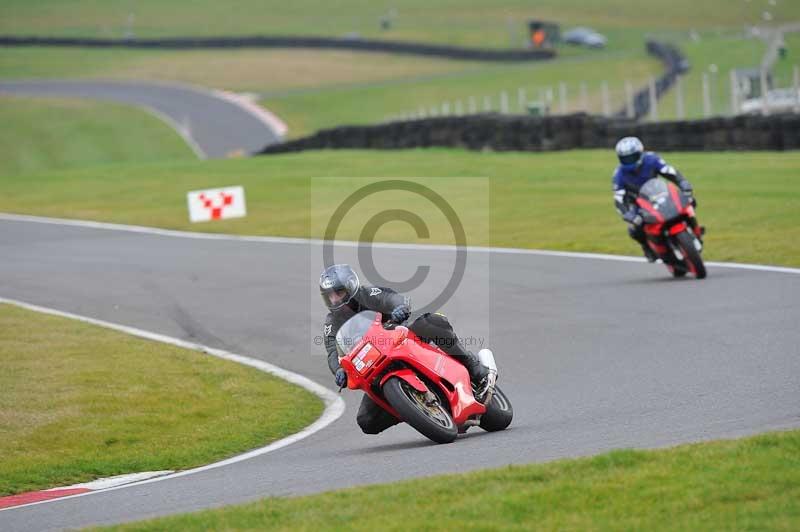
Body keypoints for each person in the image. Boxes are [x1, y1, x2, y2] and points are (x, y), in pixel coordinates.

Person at [319, 264, 489, 435]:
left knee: (431, 322)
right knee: (366, 421)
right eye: (330, 296)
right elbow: (332, 352)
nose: (334, 300)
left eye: (338, 293)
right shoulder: (332, 322)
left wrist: (399, 308)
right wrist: (339, 370)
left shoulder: (369, 295)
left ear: (350, 287)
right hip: (374, 365)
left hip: (400, 340)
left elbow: (392, 298)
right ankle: (415, 407)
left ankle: (473, 366)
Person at [612, 136, 700, 261]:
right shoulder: (619, 174)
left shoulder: (651, 159)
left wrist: (683, 184)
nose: (629, 161)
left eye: (632, 157)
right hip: (637, 202)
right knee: (636, 229)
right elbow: (618, 198)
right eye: (625, 159)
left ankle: (695, 230)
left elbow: (670, 172)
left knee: (689, 201)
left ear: (640, 153)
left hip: (659, 192)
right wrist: (628, 214)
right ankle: (647, 247)